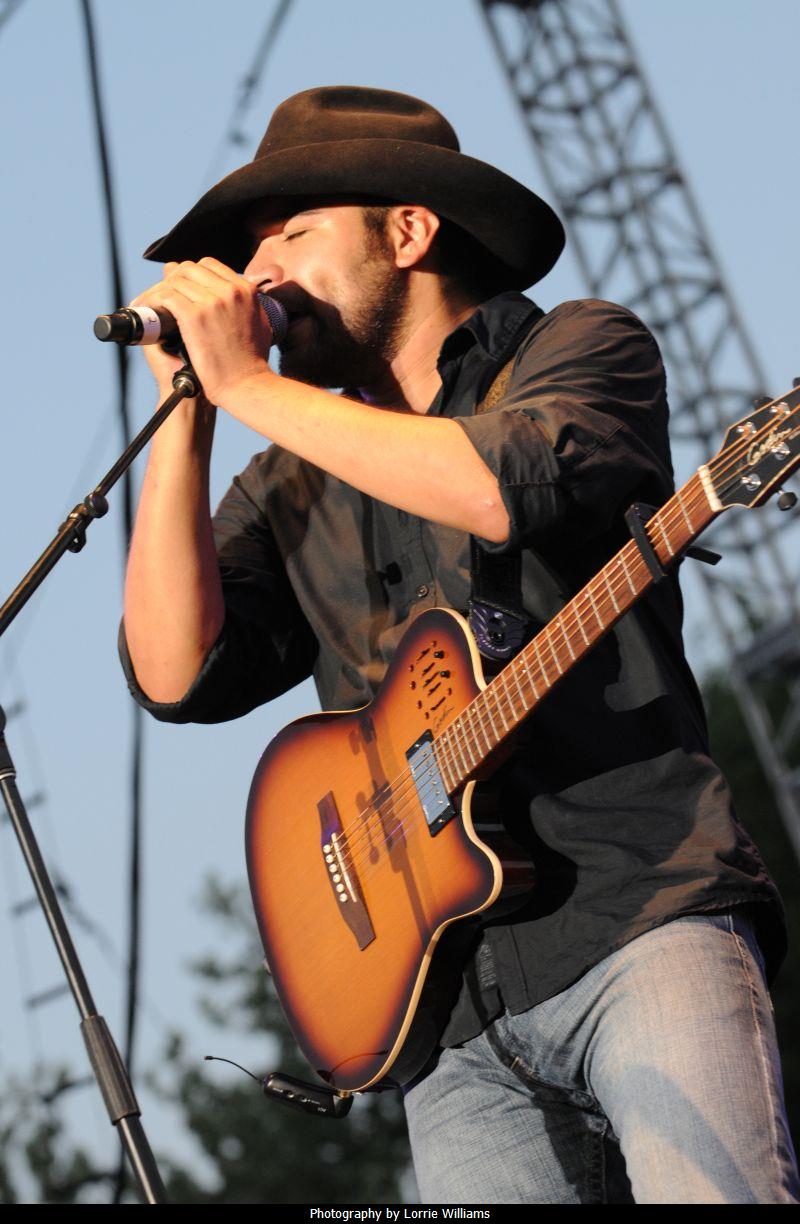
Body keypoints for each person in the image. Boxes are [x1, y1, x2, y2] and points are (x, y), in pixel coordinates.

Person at [118, 85, 798, 1204]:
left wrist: (248, 385)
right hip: (444, 1013)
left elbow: (496, 487)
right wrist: (190, 417)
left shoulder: (579, 345)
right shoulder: (286, 477)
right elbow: (172, 670)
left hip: (638, 916)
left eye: (291, 233)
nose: (258, 272)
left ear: (407, 232)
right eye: (250, 250)